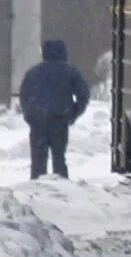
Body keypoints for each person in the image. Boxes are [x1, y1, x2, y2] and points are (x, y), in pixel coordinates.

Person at [18, 39, 92, 179]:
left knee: (38, 160)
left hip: (38, 120)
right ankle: (61, 186)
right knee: (59, 158)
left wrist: (30, 115)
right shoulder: (70, 72)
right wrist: (74, 113)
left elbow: (24, 96)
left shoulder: (33, 72)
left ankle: (37, 186)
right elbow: (84, 95)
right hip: (60, 119)